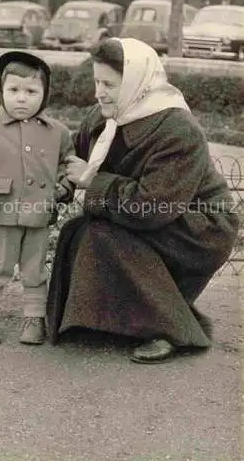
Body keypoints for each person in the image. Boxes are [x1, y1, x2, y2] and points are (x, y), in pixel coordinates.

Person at [46, 37, 239, 363]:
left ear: (137, 82)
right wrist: (59, 190)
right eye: (96, 81)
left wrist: (92, 181)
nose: (99, 91)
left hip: (200, 226)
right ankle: (114, 319)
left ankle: (170, 330)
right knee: (84, 231)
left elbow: (150, 209)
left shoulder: (178, 128)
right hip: (156, 213)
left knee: (103, 235)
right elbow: (75, 159)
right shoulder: (104, 116)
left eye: (109, 84)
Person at [0, 51, 75, 345]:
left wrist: (64, 186)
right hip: (2, 213)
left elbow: (70, 164)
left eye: (31, 91)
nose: (21, 98)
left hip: (38, 215)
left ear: (45, 94)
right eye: (13, 90)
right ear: (2, 91)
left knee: (35, 269)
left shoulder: (58, 132)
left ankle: (34, 320)